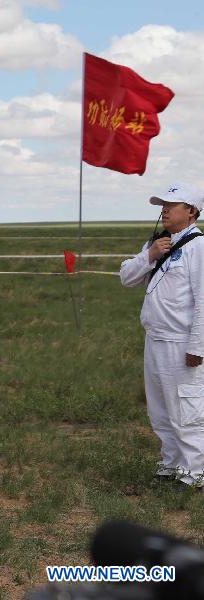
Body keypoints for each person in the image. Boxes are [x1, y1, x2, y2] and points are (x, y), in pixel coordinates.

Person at [120, 183, 204, 489]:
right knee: (160, 409)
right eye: (162, 205)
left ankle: (194, 473)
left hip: (182, 343)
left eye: (172, 205)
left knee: (186, 408)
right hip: (154, 338)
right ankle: (171, 464)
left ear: (192, 211)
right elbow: (127, 278)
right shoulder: (158, 243)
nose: (164, 210)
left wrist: (198, 346)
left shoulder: (199, 248)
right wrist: (150, 255)